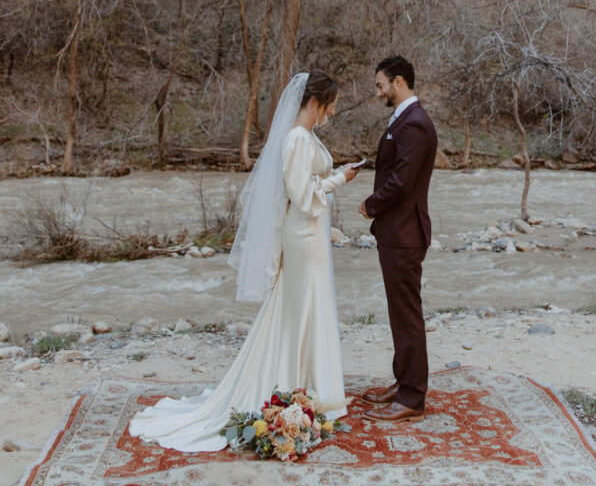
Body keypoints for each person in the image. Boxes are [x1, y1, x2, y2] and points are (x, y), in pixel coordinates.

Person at [129, 70, 358, 452]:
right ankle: (299, 387)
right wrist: (340, 179)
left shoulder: (305, 137)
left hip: (310, 234)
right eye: (330, 105)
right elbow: (303, 196)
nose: (332, 112)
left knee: (306, 305)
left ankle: (308, 386)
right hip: (304, 235)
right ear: (315, 102)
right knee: (303, 305)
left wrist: (332, 176)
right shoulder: (297, 139)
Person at [358, 55, 437, 423]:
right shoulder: (403, 120)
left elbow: (402, 181)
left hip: (405, 233)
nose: (378, 93)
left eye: (380, 85)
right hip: (396, 232)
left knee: (407, 315)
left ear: (399, 81)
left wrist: (371, 204)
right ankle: (403, 382)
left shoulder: (415, 123)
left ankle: (412, 399)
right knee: (399, 312)